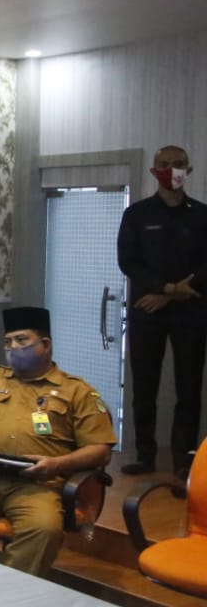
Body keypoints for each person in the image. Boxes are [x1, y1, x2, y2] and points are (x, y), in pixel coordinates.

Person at [0, 307, 116, 575]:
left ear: (45, 344)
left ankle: (13, 587)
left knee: (43, 529)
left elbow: (100, 450)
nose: (13, 348)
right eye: (8, 342)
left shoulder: (77, 391)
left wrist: (56, 465)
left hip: (38, 484)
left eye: (21, 340)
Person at [116, 144, 207, 479]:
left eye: (178, 164)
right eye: (165, 164)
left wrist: (171, 294)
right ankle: (145, 456)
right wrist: (166, 289)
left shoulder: (202, 215)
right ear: (155, 170)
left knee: (189, 389)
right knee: (144, 388)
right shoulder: (137, 215)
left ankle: (184, 461)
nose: (172, 170)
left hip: (191, 311)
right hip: (147, 312)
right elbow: (128, 262)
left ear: (189, 170)